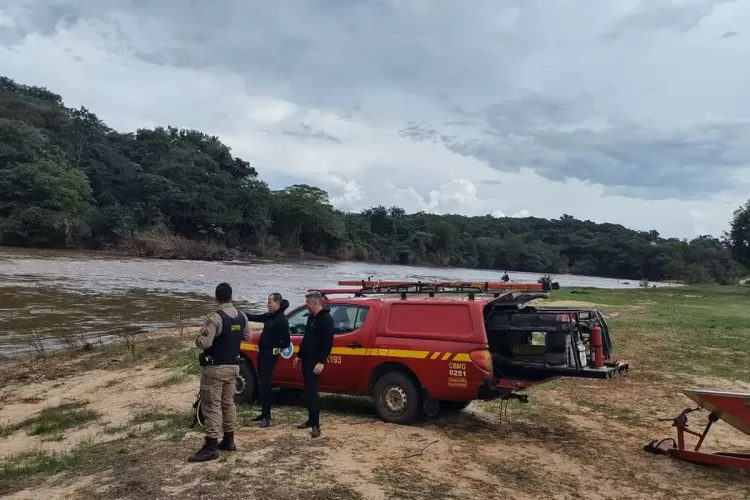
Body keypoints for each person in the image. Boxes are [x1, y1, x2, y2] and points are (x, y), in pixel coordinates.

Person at [189, 282, 251, 463]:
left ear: (217, 297)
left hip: (215, 369)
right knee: (228, 403)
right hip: (234, 368)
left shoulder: (215, 317)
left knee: (212, 405)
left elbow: (205, 343)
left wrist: (198, 338)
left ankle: (210, 446)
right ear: (231, 296)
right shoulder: (242, 316)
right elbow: (246, 336)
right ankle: (229, 440)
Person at [244, 292, 291, 428]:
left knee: (265, 384)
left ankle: (267, 416)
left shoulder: (281, 319)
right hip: (263, 354)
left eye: (270, 302)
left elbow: (286, 341)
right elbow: (255, 317)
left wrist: (274, 348)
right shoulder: (270, 316)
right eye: (268, 301)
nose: (267, 303)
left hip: (270, 355)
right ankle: (263, 412)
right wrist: (241, 314)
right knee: (261, 382)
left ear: (277, 303)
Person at [293, 290, 334, 438]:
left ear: (316, 302)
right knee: (308, 391)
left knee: (312, 392)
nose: (306, 305)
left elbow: (328, 343)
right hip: (307, 360)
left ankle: (316, 425)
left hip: (316, 361)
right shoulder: (311, 318)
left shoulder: (326, 320)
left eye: (308, 303)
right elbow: (306, 337)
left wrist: (322, 362)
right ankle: (310, 420)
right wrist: (299, 355)